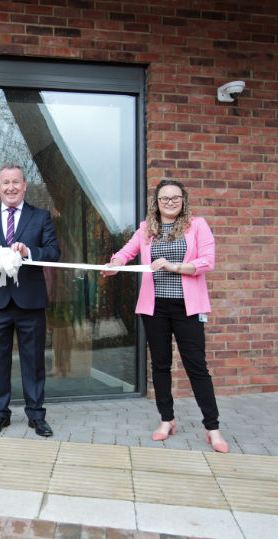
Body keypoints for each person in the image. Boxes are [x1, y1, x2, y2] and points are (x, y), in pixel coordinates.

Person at [102, 179, 229, 453]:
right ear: (155, 203)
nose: (170, 202)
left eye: (175, 198)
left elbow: (208, 261)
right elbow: (127, 252)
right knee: (160, 366)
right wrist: (115, 265)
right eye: (164, 199)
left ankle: (212, 428)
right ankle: (167, 420)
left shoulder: (198, 225)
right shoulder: (146, 229)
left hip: (188, 307)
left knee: (197, 367)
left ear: (183, 200)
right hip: (155, 308)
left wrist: (174, 267)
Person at [0, 163, 60, 437]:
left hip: (30, 301)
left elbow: (53, 252)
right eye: (5, 183)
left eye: (16, 182)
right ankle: (0, 414)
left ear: (24, 186)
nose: (10, 187)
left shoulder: (41, 217)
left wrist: (29, 251)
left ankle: (36, 415)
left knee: (34, 360)